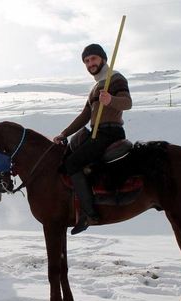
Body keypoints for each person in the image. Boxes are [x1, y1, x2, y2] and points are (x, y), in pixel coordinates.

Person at [53, 44, 132, 235]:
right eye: (87, 61)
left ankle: (90, 214)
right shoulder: (96, 86)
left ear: (103, 59)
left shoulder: (116, 79)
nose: (90, 63)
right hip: (96, 133)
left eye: (93, 59)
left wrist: (111, 100)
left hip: (110, 132)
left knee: (72, 164)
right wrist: (64, 133)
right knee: (68, 157)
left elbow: (128, 103)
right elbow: (84, 116)